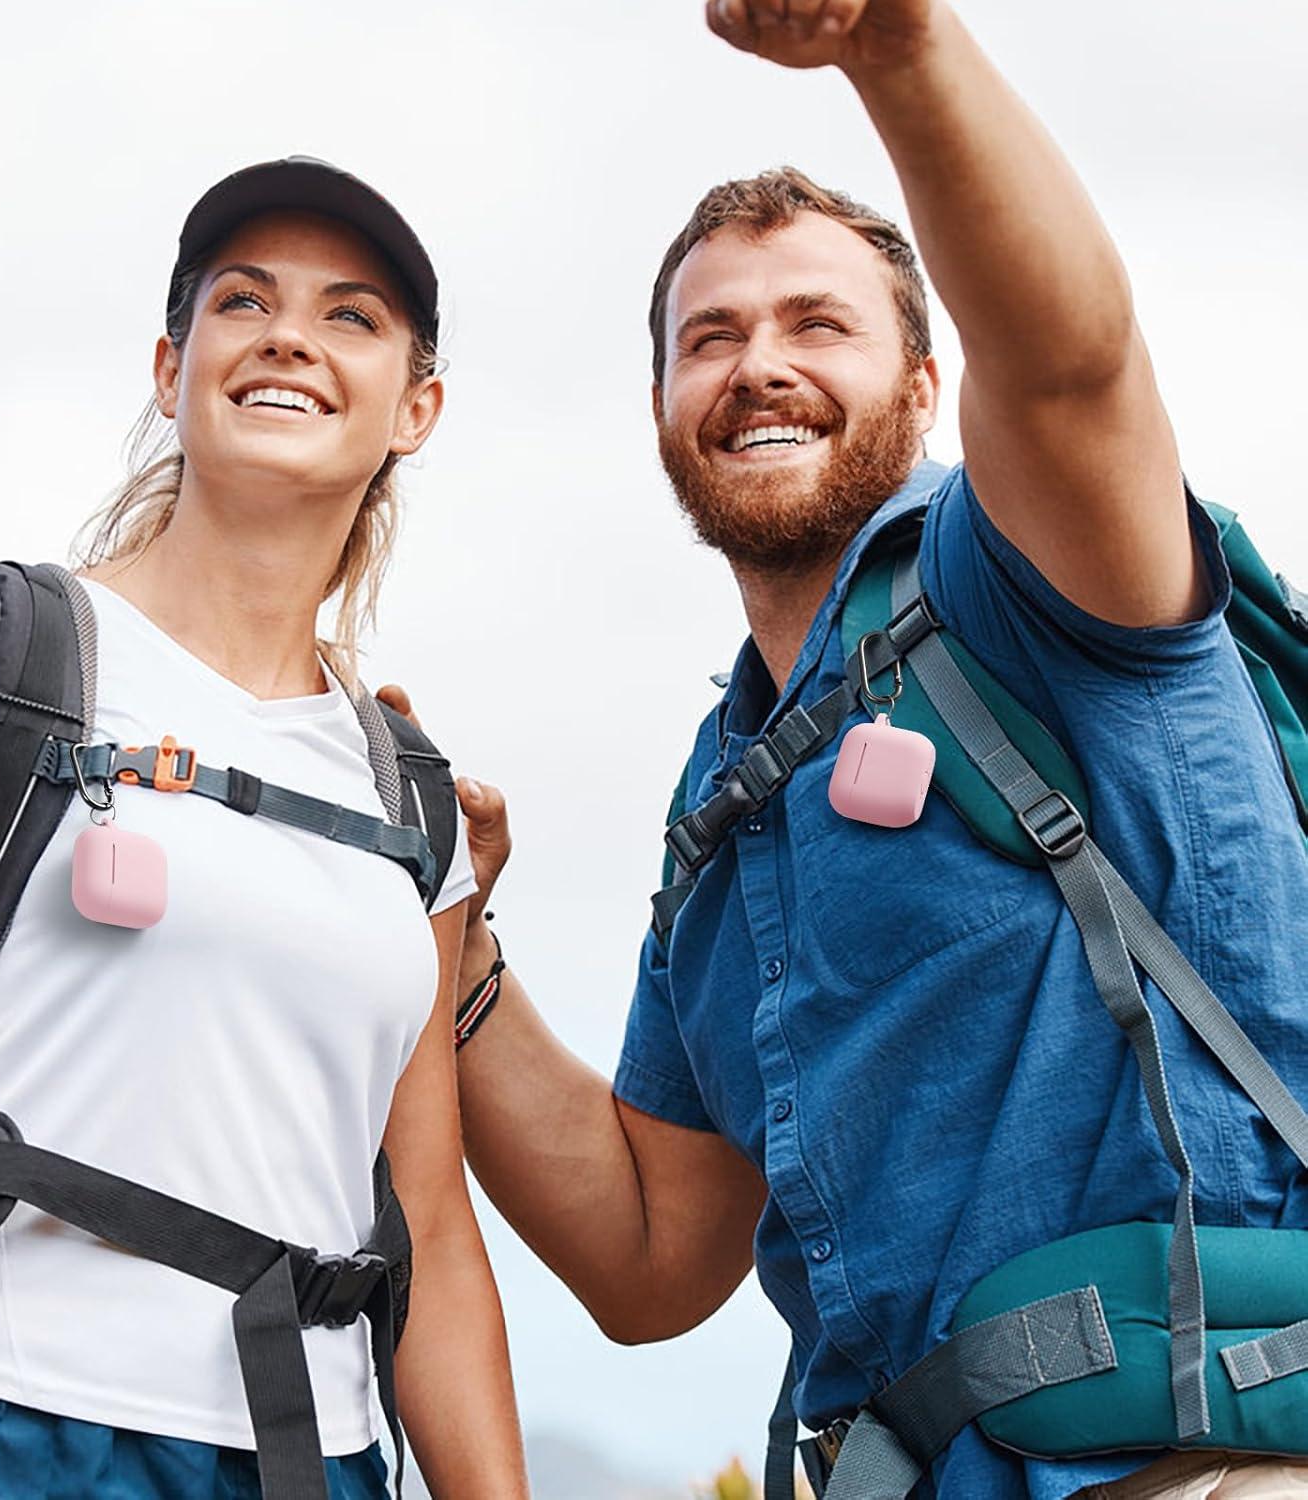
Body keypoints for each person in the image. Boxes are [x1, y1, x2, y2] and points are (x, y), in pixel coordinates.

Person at [429, 3, 1308, 1497]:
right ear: (663, 411)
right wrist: (450, 924)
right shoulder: (720, 808)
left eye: (817, 324)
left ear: (921, 384)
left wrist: (898, 50)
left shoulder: (1027, 580)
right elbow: (650, 1257)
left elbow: (1073, 367)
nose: (758, 366)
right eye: (710, 339)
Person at [0, 158, 528, 1500]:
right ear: (170, 366)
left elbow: (428, 1215)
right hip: (7, 1427)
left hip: (319, 1457)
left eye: (351, 315)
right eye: (244, 301)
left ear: (415, 409)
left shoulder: (408, 796)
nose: (290, 337)